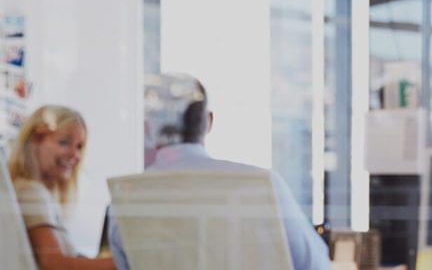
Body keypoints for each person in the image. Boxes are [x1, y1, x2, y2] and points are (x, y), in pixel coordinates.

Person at [107, 73, 330, 270]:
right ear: (208, 121)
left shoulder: (128, 197)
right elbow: (316, 265)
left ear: (148, 127)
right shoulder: (259, 185)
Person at [9, 105, 116, 270]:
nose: (75, 154)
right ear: (35, 141)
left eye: (79, 146)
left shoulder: (34, 192)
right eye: (64, 142)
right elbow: (55, 265)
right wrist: (126, 262)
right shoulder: (31, 192)